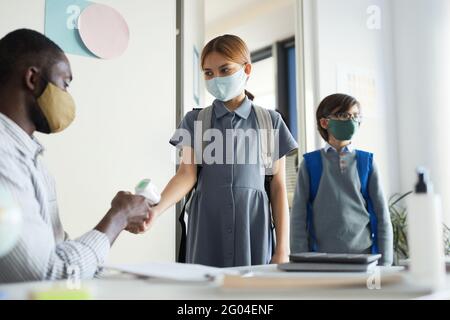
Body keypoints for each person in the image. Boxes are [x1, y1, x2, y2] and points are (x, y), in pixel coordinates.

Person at [128, 34, 298, 268]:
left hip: (254, 225)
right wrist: (155, 212)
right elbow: (186, 175)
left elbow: (277, 186)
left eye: (225, 70)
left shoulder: (270, 121)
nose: (216, 78)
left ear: (246, 69)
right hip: (207, 223)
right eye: (209, 73)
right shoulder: (195, 120)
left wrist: (283, 249)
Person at [0, 29, 151, 283]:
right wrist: (118, 217)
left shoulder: (32, 160)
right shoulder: (4, 156)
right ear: (33, 79)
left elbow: (56, 252)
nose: (68, 98)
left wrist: (119, 218)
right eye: (65, 84)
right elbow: (48, 274)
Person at [290, 93, 393, 265]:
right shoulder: (310, 164)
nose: (351, 120)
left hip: (364, 259)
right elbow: (298, 219)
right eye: (344, 115)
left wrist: (386, 263)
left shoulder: (366, 162)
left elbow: (382, 216)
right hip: (321, 260)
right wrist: (301, 261)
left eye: (355, 116)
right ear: (325, 122)